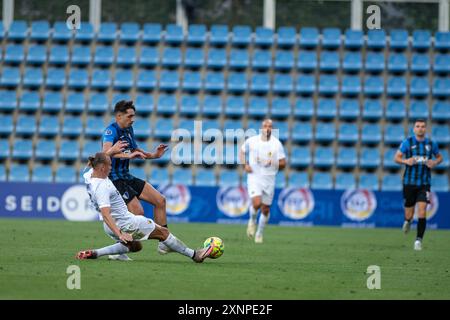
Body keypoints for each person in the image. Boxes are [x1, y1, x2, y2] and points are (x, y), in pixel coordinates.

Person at [76, 152, 213, 263]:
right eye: (110, 166)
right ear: (102, 168)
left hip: (108, 226)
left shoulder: (89, 176)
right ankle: (195, 255)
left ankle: (96, 253)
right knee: (163, 233)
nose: (111, 168)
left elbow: (99, 159)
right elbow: (106, 214)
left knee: (135, 246)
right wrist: (120, 233)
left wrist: (125, 155)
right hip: (126, 223)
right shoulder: (102, 187)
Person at [102, 100, 172, 257]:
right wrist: (125, 154)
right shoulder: (110, 131)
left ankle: (165, 242)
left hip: (126, 176)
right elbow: (104, 154)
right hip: (114, 179)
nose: (132, 119)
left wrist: (153, 155)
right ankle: (119, 248)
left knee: (160, 200)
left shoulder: (128, 130)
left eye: (133, 116)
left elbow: (134, 150)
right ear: (119, 116)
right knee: (137, 212)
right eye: (129, 116)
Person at [394, 119, 442, 251]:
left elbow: (439, 157)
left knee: (422, 211)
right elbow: (396, 157)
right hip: (409, 183)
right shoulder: (407, 142)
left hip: (424, 184)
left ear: (425, 129)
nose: (420, 128)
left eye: (422, 126)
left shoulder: (431, 144)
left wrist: (434, 162)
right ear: (414, 129)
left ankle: (418, 240)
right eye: (417, 126)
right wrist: (406, 161)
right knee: (409, 213)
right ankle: (408, 221)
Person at [239, 119, 286, 244]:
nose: (267, 128)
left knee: (265, 209)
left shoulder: (277, 144)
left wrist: (273, 162)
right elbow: (242, 151)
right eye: (265, 125)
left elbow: (283, 163)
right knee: (256, 203)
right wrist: (245, 164)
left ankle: (259, 233)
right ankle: (252, 220)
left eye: (270, 126)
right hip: (254, 177)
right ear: (261, 128)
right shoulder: (252, 141)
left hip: (269, 179)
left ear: (272, 129)